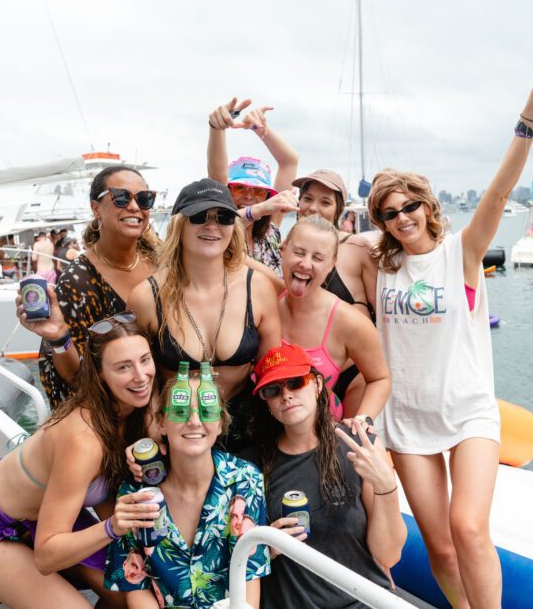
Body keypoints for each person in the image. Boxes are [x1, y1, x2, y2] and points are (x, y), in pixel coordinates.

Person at [366, 73, 533, 608]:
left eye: (409, 206)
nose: (401, 219)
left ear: (427, 205)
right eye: (389, 213)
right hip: (408, 418)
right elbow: (311, 249)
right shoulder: (378, 263)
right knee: (439, 547)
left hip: (468, 412)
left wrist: (530, 119)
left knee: (469, 528)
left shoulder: (461, 252)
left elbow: (501, 191)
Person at [0, 314, 162, 609]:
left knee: (131, 593)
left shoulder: (134, 413)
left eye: (145, 360)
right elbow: (46, 556)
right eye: (123, 367)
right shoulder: (83, 440)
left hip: (47, 519)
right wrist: (113, 527)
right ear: (100, 373)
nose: (141, 376)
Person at [243, 343, 407, 609]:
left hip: (362, 602)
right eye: (273, 390)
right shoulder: (250, 465)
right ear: (266, 402)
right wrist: (267, 549)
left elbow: (388, 555)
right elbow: (236, 557)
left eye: (296, 382)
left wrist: (386, 486)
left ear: (317, 383)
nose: (286, 395)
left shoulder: (359, 444)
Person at [129, 178, 281, 451]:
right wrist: (152, 419)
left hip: (245, 430)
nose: (212, 226)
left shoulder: (257, 288)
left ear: (232, 227)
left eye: (223, 217)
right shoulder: (147, 297)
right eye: (200, 216)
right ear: (179, 224)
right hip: (178, 429)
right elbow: (142, 375)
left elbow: (272, 370)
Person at [105, 369, 270, 608]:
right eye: (181, 412)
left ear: (221, 422)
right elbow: (135, 583)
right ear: (161, 422)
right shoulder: (134, 493)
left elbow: (249, 579)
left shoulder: (246, 480)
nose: (194, 421)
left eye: (207, 412)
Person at [18, 165, 161, 409]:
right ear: (96, 208)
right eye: (121, 197)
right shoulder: (79, 281)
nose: (135, 207)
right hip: (117, 414)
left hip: (170, 407)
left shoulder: (163, 262)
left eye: (144, 199)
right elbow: (75, 378)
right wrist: (59, 337)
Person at [279, 215, 390, 420]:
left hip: (323, 436)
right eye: (299, 252)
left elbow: (380, 378)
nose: (305, 264)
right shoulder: (265, 303)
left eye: (318, 258)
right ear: (282, 250)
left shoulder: (349, 321)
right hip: (263, 437)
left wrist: (362, 420)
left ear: (332, 264)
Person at [207, 97, 300, 277]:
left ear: (267, 196)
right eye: (240, 188)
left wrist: (260, 128)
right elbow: (217, 175)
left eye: (258, 190)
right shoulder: (217, 233)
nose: (249, 196)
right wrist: (216, 129)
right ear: (227, 191)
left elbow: (290, 161)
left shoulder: (270, 231)